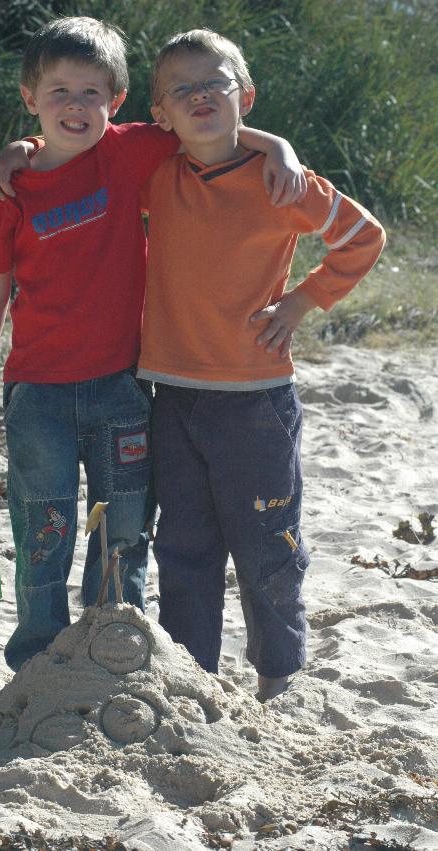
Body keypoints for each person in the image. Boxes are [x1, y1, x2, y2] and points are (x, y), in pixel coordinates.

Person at [0, 16, 306, 672]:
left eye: (91, 92)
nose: (75, 105)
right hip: (36, 391)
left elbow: (208, 123)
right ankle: (37, 660)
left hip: (124, 385)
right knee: (43, 532)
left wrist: (280, 148)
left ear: (116, 101)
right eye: (58, 91)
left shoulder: (125, 152)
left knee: (122, 531)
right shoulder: (9, 187)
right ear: (29, 97)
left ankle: (114, 650)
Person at [135, 29, 386, 702]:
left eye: (213, 83)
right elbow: (90, 140)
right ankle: (193, 677)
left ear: (243, 94)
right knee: (183, 546)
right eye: (180, 90)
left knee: (266, 544)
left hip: (254, 398)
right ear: (160, 115)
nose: (198, 97)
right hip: (171, 393)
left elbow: (362, 239)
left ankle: (277, 672)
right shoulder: (156, 173)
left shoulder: (281, 181)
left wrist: (303, 300)